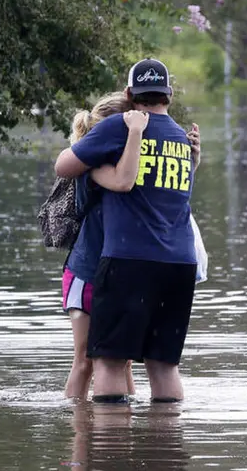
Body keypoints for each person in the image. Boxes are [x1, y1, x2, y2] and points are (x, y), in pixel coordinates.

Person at [55, 58, 201, 404]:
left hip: (129, 261)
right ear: (169, 95)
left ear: (129, 93)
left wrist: (95, 154)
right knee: (164, 367)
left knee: (109, 363)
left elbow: (63, 167)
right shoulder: (182, 139)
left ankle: (111, 454)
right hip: (180, 264)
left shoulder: (121, 125)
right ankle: (164, 450)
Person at [62, 92, 148, 399]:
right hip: (85, 272)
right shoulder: (96, 166)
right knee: (85, 360)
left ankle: (123, 434)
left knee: (123, 361)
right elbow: (124, 181)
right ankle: (80, 435)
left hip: (117, 272)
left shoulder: (132, 161)